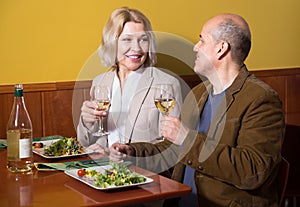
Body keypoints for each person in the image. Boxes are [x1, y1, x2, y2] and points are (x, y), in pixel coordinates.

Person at [110, 13, 285, 207]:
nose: (195, 47)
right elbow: (174, 150)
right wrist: (132, 151)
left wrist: (188, 139)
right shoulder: (199, 92)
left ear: (221, 48)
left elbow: (253, 170)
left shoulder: (260, 99)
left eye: (202, 40)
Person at [77, 7, 182, 152]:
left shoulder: (167, 83)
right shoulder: (99, 82)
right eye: (127, 40)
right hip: (105, 171)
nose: (137, 48)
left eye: (143, 40)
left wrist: (129, 154)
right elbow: (86, 142)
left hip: (143, 171)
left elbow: (171, 148)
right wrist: (87, 123)